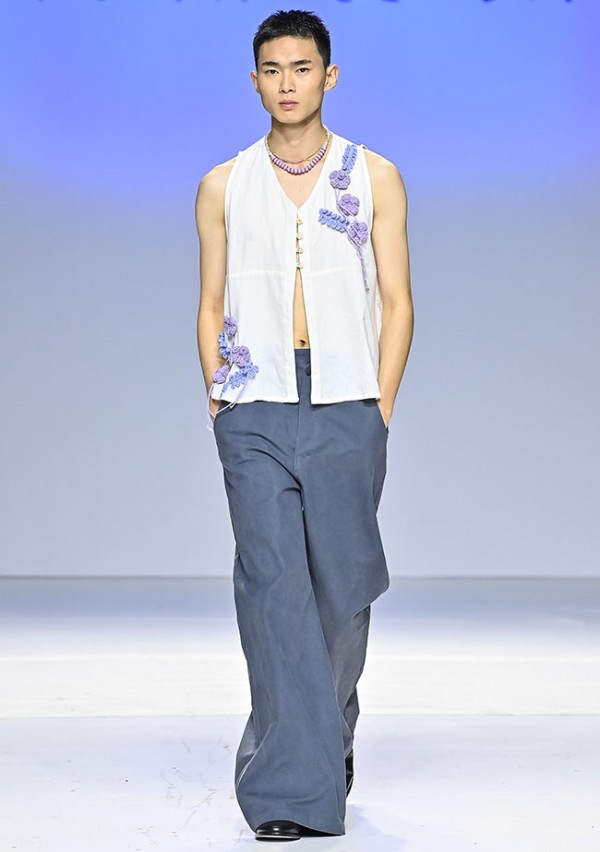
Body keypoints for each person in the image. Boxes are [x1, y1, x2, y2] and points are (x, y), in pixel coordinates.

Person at [195, 9, 413, 843]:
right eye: (272, 69)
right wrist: (218, 399)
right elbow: (210, 300)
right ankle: (289, 793)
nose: (287, 83)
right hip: (254, 401)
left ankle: (327, 738)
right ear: (254, 81)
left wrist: (379, 406)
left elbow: (397, 300)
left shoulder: (374, 176)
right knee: (272, 589)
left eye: (302, 67)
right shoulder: (223, 183)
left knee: (341, 590)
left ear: (329, 75)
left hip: (347, 398)